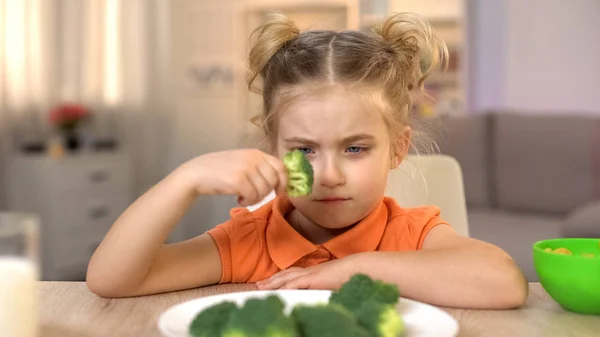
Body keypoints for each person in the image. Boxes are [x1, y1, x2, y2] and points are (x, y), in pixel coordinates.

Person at [87, 12, 528, 309]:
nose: (329, 176)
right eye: (303, 151)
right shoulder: (252, 240)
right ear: (273, 151)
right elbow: (111, 279)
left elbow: (505, 281)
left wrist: (352, 269)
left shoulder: (408, 234)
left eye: (355, 149)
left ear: (397, 148)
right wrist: (183, 181)